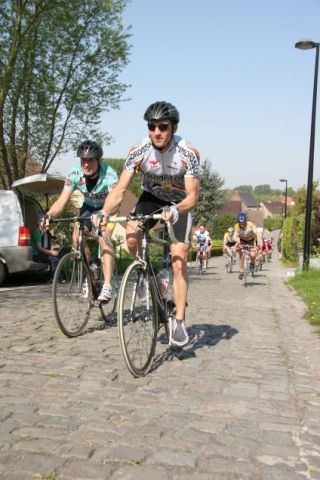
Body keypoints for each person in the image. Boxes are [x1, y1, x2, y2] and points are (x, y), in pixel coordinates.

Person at [98, 101, 200, 347]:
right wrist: (103, 212)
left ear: (174, 128)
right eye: (152, 126)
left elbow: (193, 197)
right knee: (131, 235)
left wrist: (176, 210)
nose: (157, 132)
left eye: (162, 127)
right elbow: (121, 190)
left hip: (179, 202)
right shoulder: (139, 150)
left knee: (178, 257)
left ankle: (178, 321)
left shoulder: (188, 153)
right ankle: (146, 274)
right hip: (151, 198)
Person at [45, 140, 118, 302]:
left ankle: (107, 285)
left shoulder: (109, 173)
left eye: (90, 160)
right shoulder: (75, 173)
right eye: (83, 160)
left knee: (104, 238)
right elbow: (61, 201)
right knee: (76, 237)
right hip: (88, 207)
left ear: (99, 160)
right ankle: (91, 266)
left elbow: (116, 199)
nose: (86, 164)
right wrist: (48, 215)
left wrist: (104, 213)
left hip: (108, 207)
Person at [234, 212, 262, 280]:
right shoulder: (236, 226)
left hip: (250, 240)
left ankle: (252, 263)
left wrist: (258, 244)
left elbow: (257, 235)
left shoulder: (250, 225)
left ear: (246, 221)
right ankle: (241, 271)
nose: (242, 224)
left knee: (252, 255)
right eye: (240, 223)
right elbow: (236, 236)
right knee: (241, 255)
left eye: (243, 223)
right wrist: (238, 243)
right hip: (242, 240)